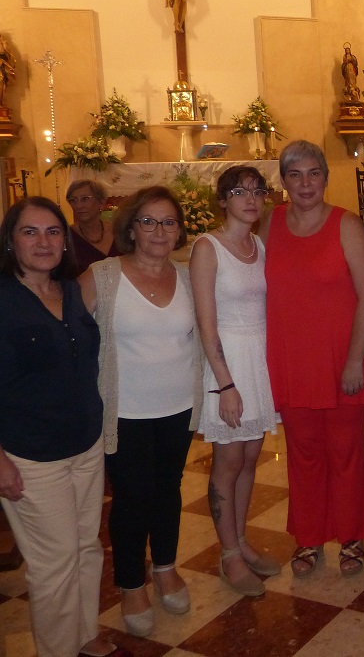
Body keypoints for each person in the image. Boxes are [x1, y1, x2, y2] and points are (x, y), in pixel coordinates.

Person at [0, 197, 129, 657]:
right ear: (11, 242)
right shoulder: (4, 301)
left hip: (84, 443)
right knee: (53, 563)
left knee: (87, 547)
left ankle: (84, 635)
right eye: (30, 232)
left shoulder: (71, 292)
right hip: (30, 455)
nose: (43, 242)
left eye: (53, 231)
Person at [79, 186, 203, 638]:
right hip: (124, 411)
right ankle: (131, 583)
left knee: (169, 489)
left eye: (168, 222)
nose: (159, 231)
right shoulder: (102, 276)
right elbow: (67, 336)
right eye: (148, 221)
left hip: (178, 406)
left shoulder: (187, 276)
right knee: (132, 498)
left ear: (179, 230)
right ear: (130, 228)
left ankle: (166, 567)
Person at [263, 139, 364, 578]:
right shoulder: (269, 223)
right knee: (303, 453)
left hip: (342, 360)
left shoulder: (346, 225)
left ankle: (351, 535)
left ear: (326, 178)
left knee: (345, 452)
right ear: (283, 181)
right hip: (292, 361)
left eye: (313, 173)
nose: (305, 183)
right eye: (295, 175)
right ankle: (309, 536)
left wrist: (354, 361)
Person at [189, 166, 280, 597]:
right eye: (240, 192)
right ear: (223, 200)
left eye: (257, 191)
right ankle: (228, 555)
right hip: (226, 364)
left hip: (258, 362)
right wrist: (225, 385)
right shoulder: (208, 247)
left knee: (249, 458)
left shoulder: (258, 245)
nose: (251, 199)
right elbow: (206, 324)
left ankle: (241, 540)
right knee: (227, 462)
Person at [66, 179, 121, 275]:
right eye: (73, 200)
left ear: (101, 202)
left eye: (85, 199)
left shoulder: (118, 232)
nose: (79, 206)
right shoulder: (67, 237)